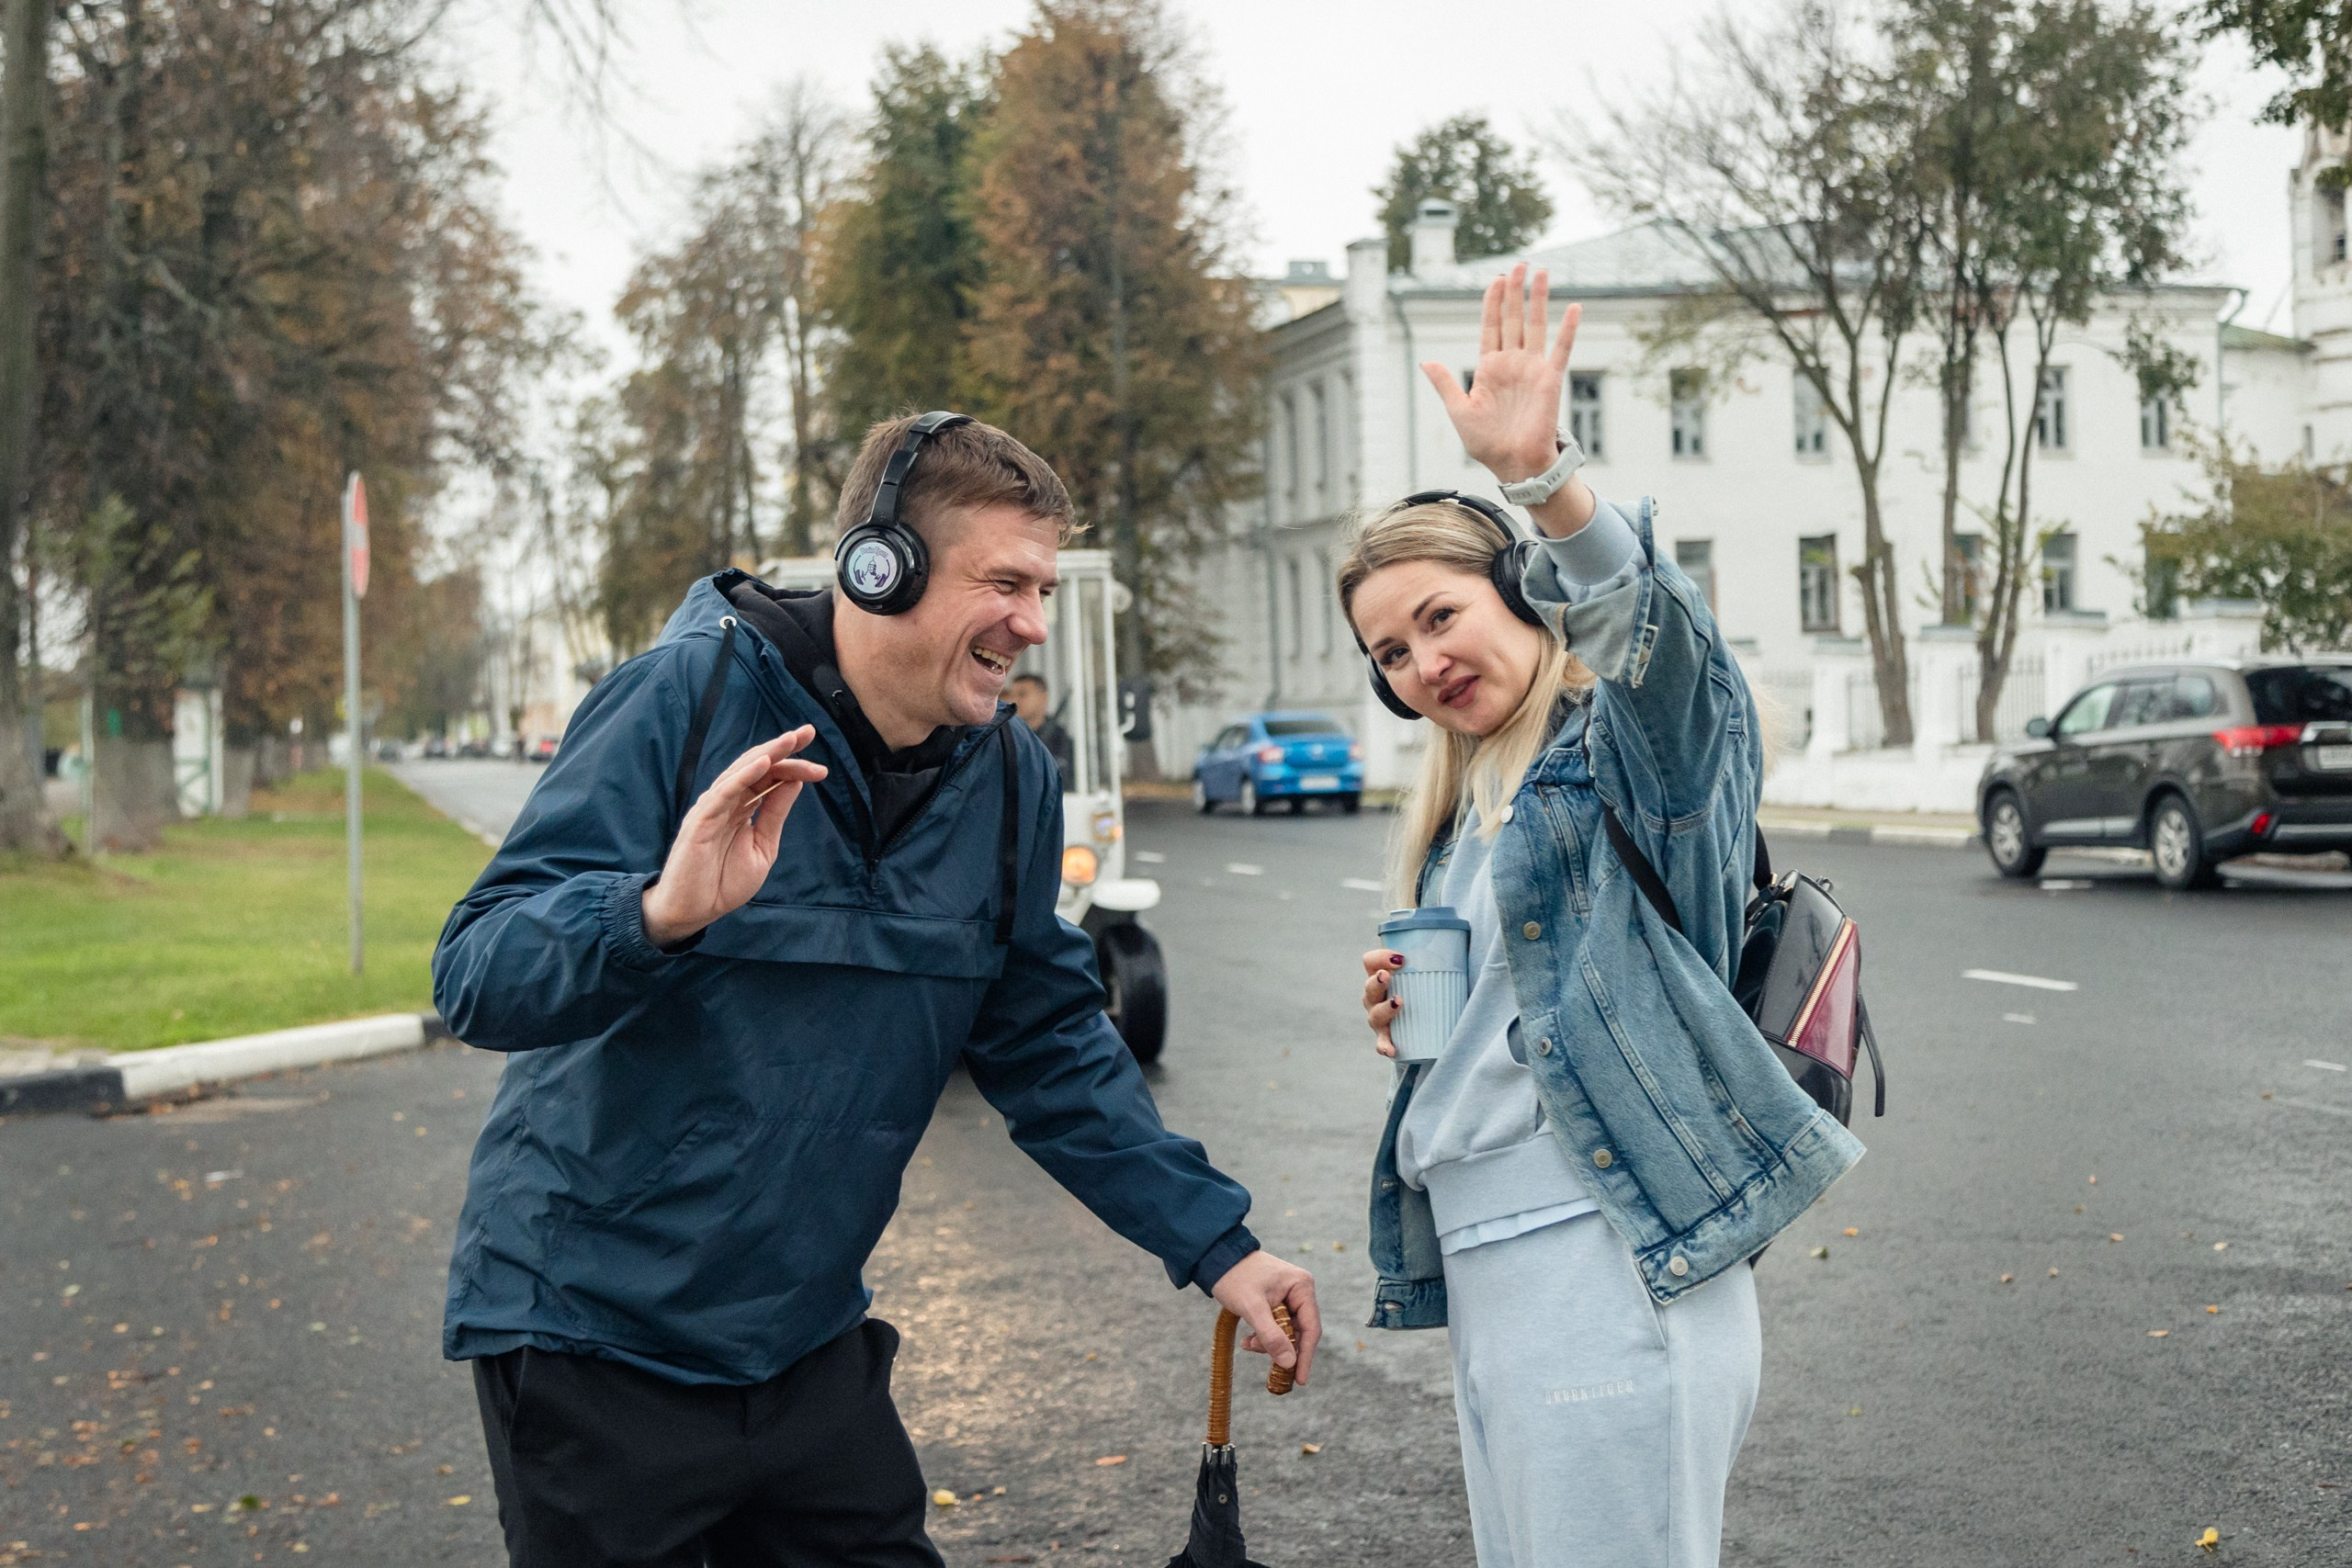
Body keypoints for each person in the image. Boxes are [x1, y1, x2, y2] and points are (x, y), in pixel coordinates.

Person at [434, 412, 1319, 1568]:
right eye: (1003, 582)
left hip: (804, 1349)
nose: (1031, 626)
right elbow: (477, 974)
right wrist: (657, 913)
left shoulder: (1006, 775)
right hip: (593, 1346)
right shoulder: (680, 701)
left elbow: (1049, 1044)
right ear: (878, 567)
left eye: (1043, 590)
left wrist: (1219, 1245)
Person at [1342, 266, 1864, 1568]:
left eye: (1439, 614)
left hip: (1604, 1260)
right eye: (1391, 654)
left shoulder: (1631, 762)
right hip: (1496, 1273)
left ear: (1520, 591)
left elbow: (1669, 660)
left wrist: (1544, 485)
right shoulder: (1464, 818)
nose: (1423, 663)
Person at [1008, 671, 1078, 784]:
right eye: (1012, 695)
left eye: (1022, 694)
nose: (1014, 701)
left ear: (1043, 697)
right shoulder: (1003, 739)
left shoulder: (1063, 742)